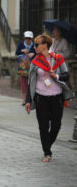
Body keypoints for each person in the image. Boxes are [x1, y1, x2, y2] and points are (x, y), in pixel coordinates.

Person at [25, 34, 74, 162]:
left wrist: (56, 76)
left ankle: (47, 144)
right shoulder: (35, 62)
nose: (34, 47)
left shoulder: (57, 58)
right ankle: (47, 152)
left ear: (45, 45)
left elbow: (66, 75)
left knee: (57, 125)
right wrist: (28, 101)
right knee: (43, 126)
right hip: (41, 98)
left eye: (37, 44)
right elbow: (30, 82)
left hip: (57, 97)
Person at [15, 31, 36, 105]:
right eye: (26, 38)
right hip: (23, 67)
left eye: (29, 38)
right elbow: (16, 52)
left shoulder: (34, 45)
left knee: (32, 82)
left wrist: (33, 54)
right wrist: (22, 51)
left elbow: (37, 53)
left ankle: (31, 99)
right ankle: (24, 100)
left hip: (32, 66)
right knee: (23, 82)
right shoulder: (21, 43)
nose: (27, 40)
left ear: (31, 39)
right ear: (24, 38)